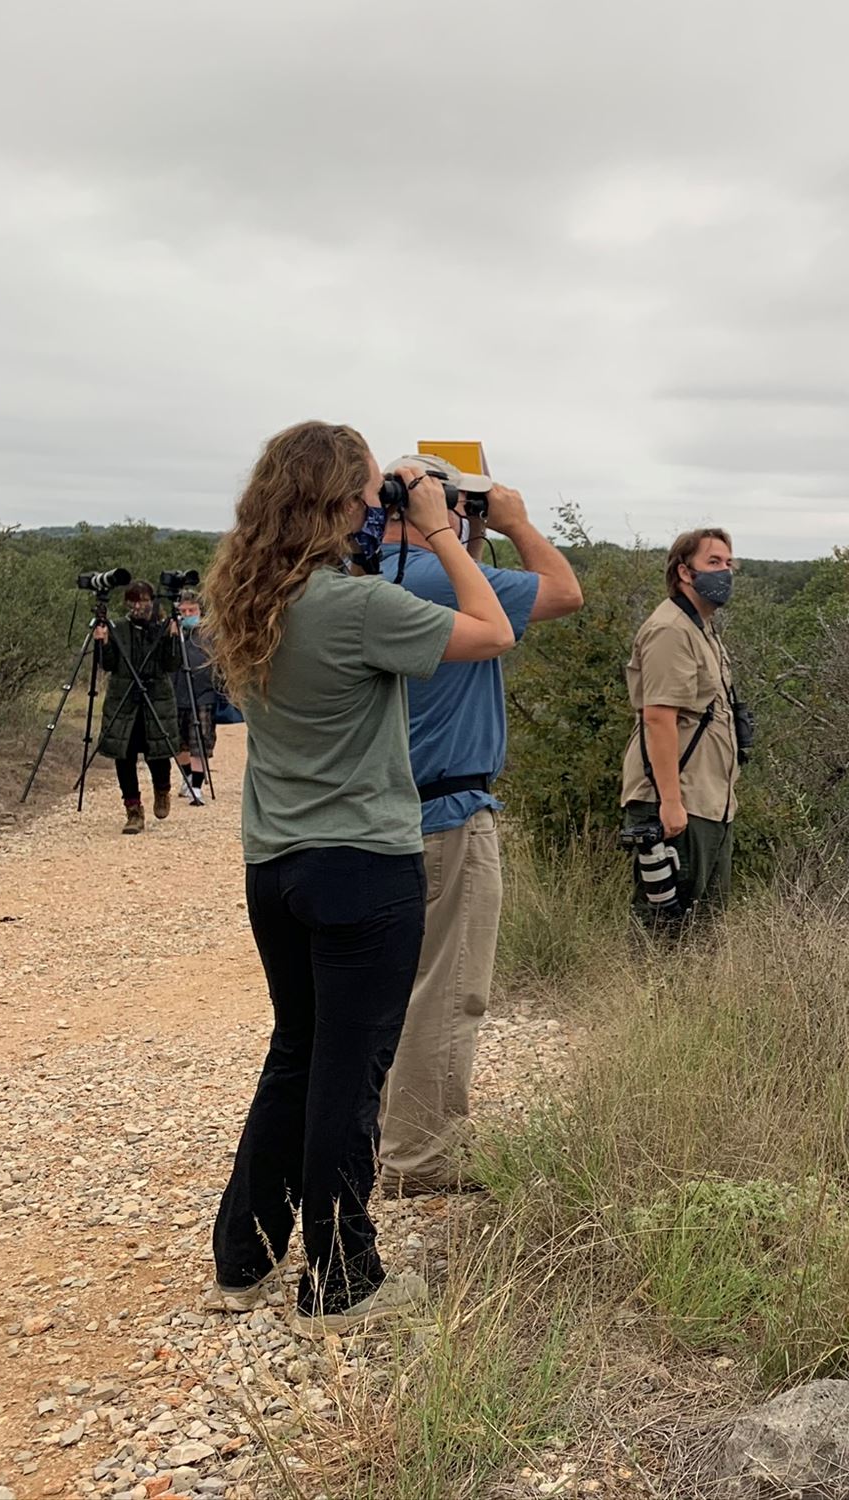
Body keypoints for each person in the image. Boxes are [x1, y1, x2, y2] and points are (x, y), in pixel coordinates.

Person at [202, 420, 514, 1336]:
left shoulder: (250, 593)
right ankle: (342, 1278)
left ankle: (245, 1255)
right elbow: (493, 629)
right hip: (363, 866)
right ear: (341, 503)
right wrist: (443, 527)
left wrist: (394, 519)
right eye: (370, 494)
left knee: (296, 1049)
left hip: (277, 863)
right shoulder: (357, 607)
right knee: (351, 1067)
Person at [374, 455, 584, 1195]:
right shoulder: (438, 578)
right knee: (449, 986)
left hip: (391, 810)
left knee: (394, 986)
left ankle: (385, 1133)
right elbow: (565, 592)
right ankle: (420, 1157)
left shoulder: (376, 579)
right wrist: (515, 522)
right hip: (451, 814)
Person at [621, 528, 743, 923]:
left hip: (708, 801)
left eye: (728, 563)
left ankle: (693, 990)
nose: (724, 572)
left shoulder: (702, 628)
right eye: (713, 562)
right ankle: (649, 989)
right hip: (678, 802)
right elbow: (659, 718)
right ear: (684, 572)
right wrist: (671, 804)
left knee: (703, 927)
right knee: (666, 926)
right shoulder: (670, 630)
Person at [94, 579, 181, 834]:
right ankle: (133, 811)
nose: (139, 606)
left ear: (152, 601)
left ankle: (162, 790)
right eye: (133, 600)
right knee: (125, 756)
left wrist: (172, 638)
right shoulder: (118, 628)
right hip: (125, 698)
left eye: (143, 600)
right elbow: (108, 665)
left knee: (159, 752)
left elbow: (172, 664)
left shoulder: (162, 627)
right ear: (126, 603)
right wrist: (103, 643)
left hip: (157, 697)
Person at [173, 588, 219, 806]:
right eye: (184, 610)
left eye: (192, 610)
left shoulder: (210, 634)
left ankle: (197, 786)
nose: (188, 614)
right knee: (178, 743)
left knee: (199, 741)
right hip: (176, 693)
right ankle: (188, 775)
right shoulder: (171, 633)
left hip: (203, 693)